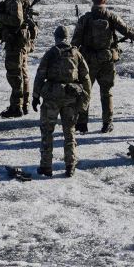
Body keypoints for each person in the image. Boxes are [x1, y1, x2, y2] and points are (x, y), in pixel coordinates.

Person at [71, 0, 134, 133]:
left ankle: (82, 123)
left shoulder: (85, 18)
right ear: (105, 0)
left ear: (93, 0)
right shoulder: (111, 16)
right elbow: (127, 30)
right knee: (106, 92)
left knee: (84, 91)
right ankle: (107, 123)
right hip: (107, 60)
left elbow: (75, 42)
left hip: (88, 61)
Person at [32, 24, 91, 176]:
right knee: (69, 132)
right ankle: (70, 165)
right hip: (70, 99)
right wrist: (85, 99)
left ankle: (46, 166)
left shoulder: (51, 53)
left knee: (47, 132)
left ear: (56, 37)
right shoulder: (76, 54)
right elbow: (85, 78)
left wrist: (35, 96)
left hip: (52, 98)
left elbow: (40, 75)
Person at [0, 0, 42, 118]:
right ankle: (23, 105)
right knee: (22, 72)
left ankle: (16, 107)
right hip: (20, 41)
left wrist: (1, 16)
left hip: (16, 41)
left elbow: (16, 20)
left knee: (14, 74)